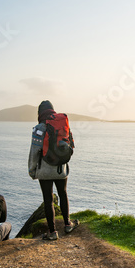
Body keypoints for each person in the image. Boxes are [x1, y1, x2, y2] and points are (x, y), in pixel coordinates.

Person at [28, 100, 79, 240]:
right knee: (63, 194)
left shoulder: (38, 128)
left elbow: (34, 151)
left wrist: (32, 170)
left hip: (44, 170)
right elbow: (71, 146)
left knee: (48, 199)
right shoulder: (63, 125)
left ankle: (52, 232)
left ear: (40, 112)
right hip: (60, 169)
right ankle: (68, 224)